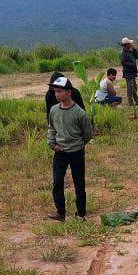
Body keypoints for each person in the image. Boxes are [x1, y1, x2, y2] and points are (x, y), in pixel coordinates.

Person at [46, 76, 93, 221]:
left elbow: (88, 134)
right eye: (55, 91)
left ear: (69, 92)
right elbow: (51, 129)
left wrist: (78, 146)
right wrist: (52, 144)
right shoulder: (54, 110)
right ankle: (60, 213)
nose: (57, 94)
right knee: (57, 182)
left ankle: (81, 214)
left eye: (60, 91)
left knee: (79, 183)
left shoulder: (80, 113)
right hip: (60, 153)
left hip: (76, 153)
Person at [120, 37, 138, 105]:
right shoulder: (123, 53)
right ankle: (132, 102)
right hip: (128, 72)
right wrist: (132, 64)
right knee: (130, 88)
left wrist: (134, 50)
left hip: (132, 72)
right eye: (130, 44)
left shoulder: (130, 50)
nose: (131, 44)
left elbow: (136, 57)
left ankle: (135, 101)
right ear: (126, 45)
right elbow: (123, 62)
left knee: (133, 87)